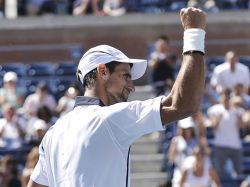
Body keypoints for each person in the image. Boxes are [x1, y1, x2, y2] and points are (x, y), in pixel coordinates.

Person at [28, 7, 206, 187]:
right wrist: (194, 33)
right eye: (126, 76)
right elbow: (183, 104)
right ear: (102, 71)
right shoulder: (110, 117)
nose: (132, 86)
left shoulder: (53, 133)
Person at [207, 89, 246, 181]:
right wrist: (219, 118)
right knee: (218, 173)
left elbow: (242, 128)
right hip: (220, 145)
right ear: (221, 97)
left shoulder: (238, 111)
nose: (226, 99)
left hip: (235, 145)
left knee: (239, 172)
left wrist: (239, 118)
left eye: (228, 96)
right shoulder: (215, 110)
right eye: (225, 96)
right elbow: (214, 127)